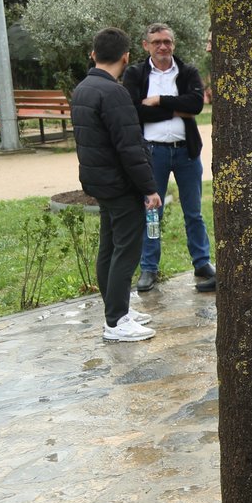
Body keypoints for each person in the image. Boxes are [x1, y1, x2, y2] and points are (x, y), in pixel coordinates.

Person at [71, 27, 163, 342]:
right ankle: (116, 321)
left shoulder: (83, 88)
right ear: (126, 57)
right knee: (125, 250)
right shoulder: (114, 93)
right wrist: (149, 188)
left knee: (108, 248)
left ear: (93, 54)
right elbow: (129, 147)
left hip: (99, 181)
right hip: (120, 185)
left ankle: (117, 308)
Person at [122, 23, 216, 293]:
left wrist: (159, 101)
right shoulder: (136, 74)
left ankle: (201, 262)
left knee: (194, 212)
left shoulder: (187, 72)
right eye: (156, 42)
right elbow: (134, 111)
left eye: (167, 41)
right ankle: (149, 267)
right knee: (152, 211)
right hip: (153, 153)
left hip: (186, 151)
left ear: (173, 44)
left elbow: (196, 105)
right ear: (145, 45)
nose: (163, 46)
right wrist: (177, 108)